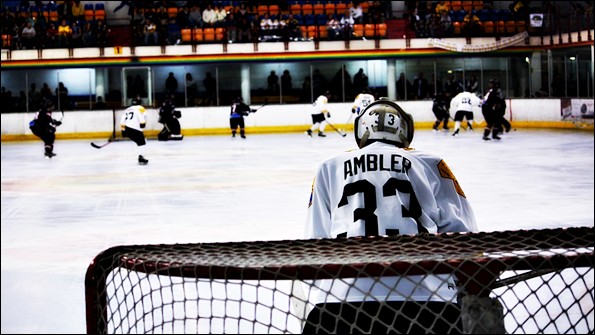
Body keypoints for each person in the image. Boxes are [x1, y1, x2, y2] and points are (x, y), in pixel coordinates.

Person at [303, 97, 477, 333]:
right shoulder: (432, 164)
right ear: (405, 129)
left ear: (361, 129)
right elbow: (463, 235)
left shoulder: (328, 167)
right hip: (429, 303)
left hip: (340, 305)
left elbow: (316, 242)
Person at [120, 99, 149, 165]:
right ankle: (141, 157)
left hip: (127, 128)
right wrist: (142, 124)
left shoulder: (127, 109)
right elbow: (141, 116)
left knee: (141, 142)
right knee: (142, 143)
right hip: (136, 129)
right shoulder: (140, 108)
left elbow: (122, 120)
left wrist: (123, 130)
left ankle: (141, 156)